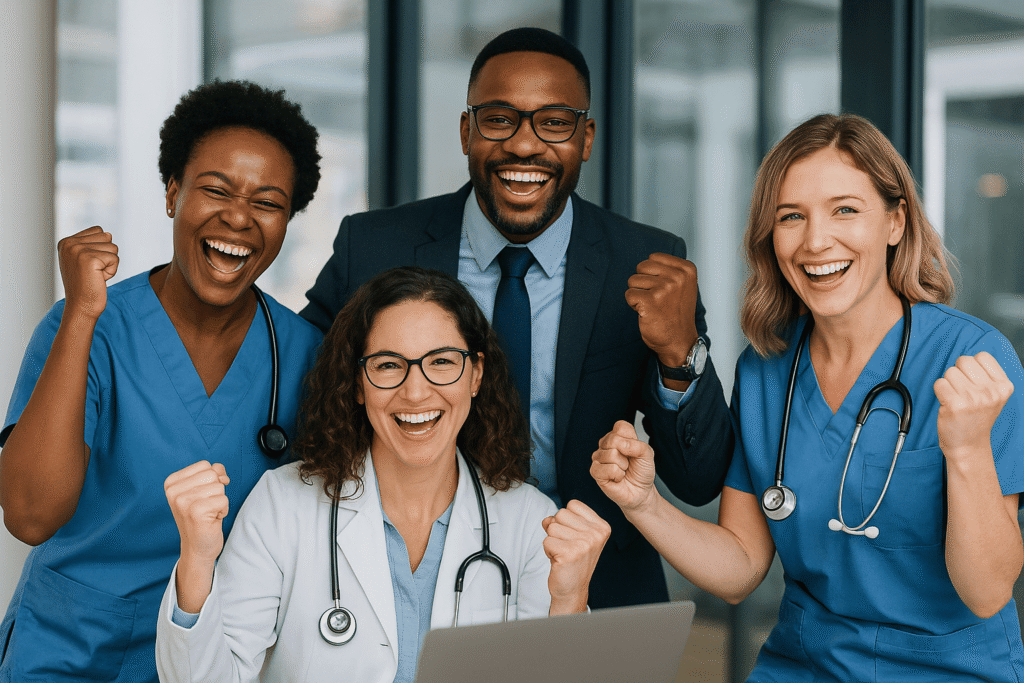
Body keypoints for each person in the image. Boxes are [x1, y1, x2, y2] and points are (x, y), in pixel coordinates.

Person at [300, 27, 733, 609]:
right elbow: (306, 403)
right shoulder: (374, 248)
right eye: (499, 119)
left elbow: (698, 481)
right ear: (466, 131)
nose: (525, 145)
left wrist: (680, 356)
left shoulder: (646, 262)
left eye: (554, 122)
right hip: (404, 578)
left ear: (586, 138)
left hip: (594, 581)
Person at [592, 112, 1024, 681]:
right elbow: (741, 565)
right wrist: (643, 503)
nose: (816, 241)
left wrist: (967, 451)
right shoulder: (767, 369)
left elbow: (988, 591)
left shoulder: (970, 360)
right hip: (805, 667)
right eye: (791, 216)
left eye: (845, 210)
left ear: (895, 222)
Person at [0, 81, 324, 683]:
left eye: (268, 202)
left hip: (209, 659)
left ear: (288, 221)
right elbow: (29, 515)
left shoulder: (306, 356)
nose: (238, 217)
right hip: (65, 656)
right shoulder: (87, 328)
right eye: (216, 189)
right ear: (173, 193)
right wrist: (81, 314)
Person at [155, 266, 610, 683]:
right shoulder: (283, 504)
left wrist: (569, 601)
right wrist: (197, 558)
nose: (415, 392)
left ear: (476, 375)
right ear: (357, 383)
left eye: (442, 361)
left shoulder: (530, 520)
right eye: (389, 365)